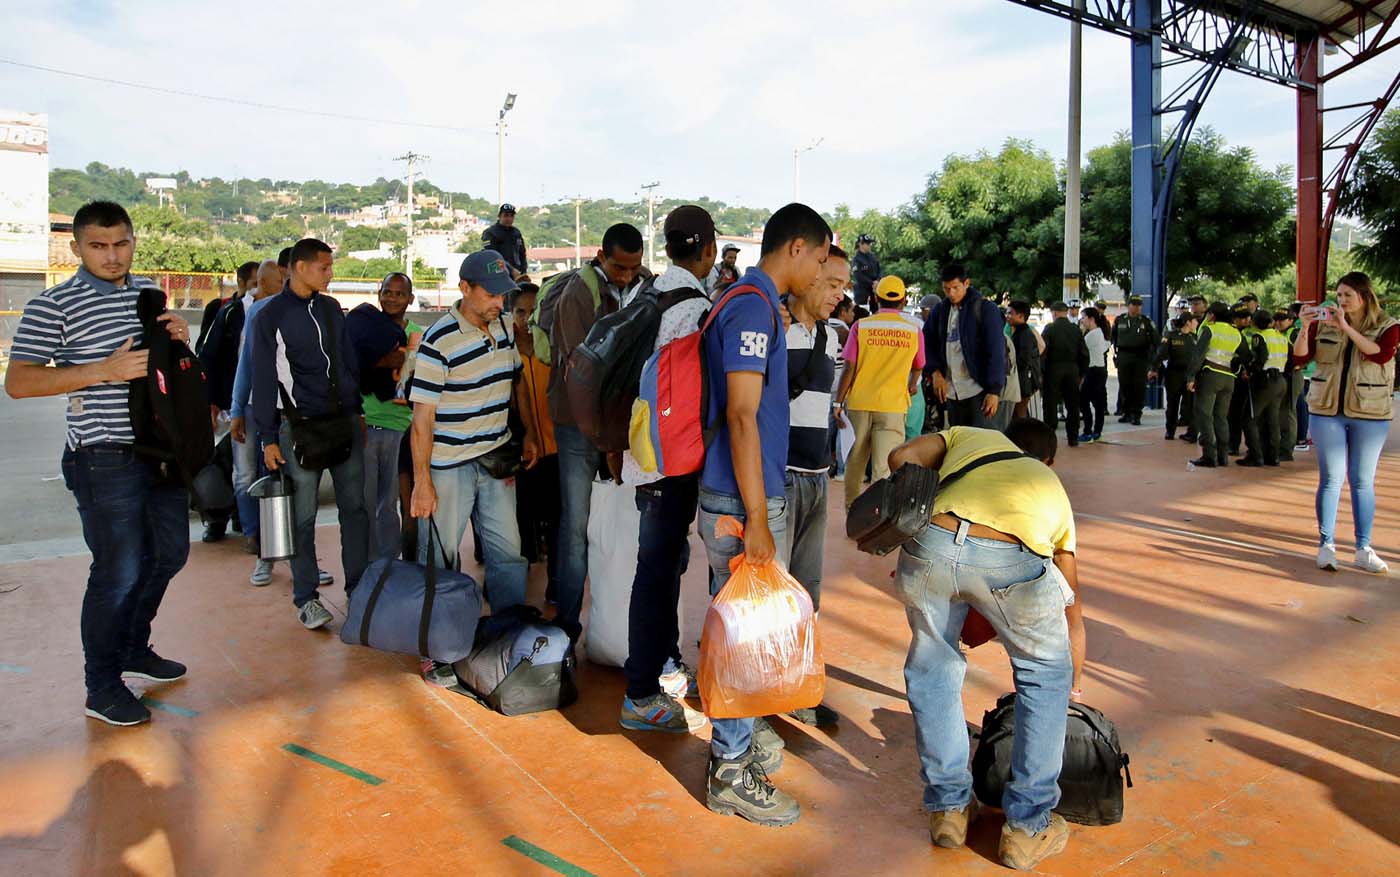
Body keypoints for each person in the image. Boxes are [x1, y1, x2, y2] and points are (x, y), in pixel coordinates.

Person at [6, 200, 193, 726]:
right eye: (98, 246)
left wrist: (178, 338)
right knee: (118, 570)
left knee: (171, 554)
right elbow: (19, 382)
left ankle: (133, 645)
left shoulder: (149, 295)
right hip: (102, 453)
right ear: (77, 248)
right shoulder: (54, 305)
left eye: (121, 244)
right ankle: (102, 684)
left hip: (160, 451)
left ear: (134, 241)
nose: (112, 256)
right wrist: (102, 371)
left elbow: (167, 370)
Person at [887, 418, 1083, 871]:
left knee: (933, 666)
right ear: (1045, 460)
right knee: (1044, 674)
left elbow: (900, 458)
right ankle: (1027, 827)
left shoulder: (968, 436)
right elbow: (1070, 605)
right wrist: (1072, 680)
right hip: (1009, 556)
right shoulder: (1051, 487)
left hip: (930, 543)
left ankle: (949, 811)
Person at [699, 202, 830, 827]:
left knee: (745, 631)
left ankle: (741, 742)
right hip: (740, 499)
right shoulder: (753, 306)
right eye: (823, 258)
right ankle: (728, 768)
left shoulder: (749, 301)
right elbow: (742, 413)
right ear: (797, 247)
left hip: (742, 494)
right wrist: (756, 515)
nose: (824, 273)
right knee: (747, 638)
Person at [617, 206, 719, 733]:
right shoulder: (695, 307)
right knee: (656, 573)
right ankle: (639, 694)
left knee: (661, 565)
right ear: (706, 251)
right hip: (672, 460)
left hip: (645, 453)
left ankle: (661, 664)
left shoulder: (648, 292)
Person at [252, 238, 371, 630]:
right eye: (324, 267)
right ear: (299, 268)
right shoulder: (270, 316)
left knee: (354, 510)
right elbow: (264, 379)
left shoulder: (331, 308)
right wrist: (267, 438)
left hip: (344, 424)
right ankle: (307, 598)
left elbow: (348, 362)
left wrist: (358, 412)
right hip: (298, 430)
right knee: (301, 519)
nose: (330, 273)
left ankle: (358, 589)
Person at [408, 250, 538, 610]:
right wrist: (422, 482)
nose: (499, 302)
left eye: (502, 295)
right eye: (490, 294)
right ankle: (437, 642)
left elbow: (517, 381)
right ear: (465, 288)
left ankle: (506, 632)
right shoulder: (439, 341)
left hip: (496, 458)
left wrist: (526, 433)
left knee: (509, 552)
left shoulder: (504, 325)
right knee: (440, 556)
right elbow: (422, 418)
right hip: (448, 467)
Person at [547, 223, 646, 639]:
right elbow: (580, 373)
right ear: (603, 257)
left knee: (620, 519)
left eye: (633, 268)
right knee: (576, 524)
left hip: (617, 425)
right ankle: (567, 623)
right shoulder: (577, 294)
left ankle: (618, 618)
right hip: (577, 424)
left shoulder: (644, 287)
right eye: (620, 268)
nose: (626, 275)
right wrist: (604, 440)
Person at [783, 244, 848, 727]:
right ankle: (766, 693)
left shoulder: (833, 336)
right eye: (831, 284)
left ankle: (799, 690)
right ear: (807, 276)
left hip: (817, 477)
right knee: (772, 594)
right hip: (779, 479)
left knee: (808, 592)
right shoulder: (774, 329)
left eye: (844, 286)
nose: (838, 294)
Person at [1293, 272, 1397, 573]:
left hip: (1370, 412)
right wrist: (1306, 327)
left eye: (1347, 296)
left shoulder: (1388, 326)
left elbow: (1379, 354)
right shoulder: (1324, 323)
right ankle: (1326, 545)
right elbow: (1301, 357)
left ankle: (1363, 548)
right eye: (1338, 295)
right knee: (1331, 478)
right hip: (1327, 410)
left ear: (1364, 297)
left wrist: (1346, 328)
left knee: (1362, 481)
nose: (1341, 301)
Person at [203, 258, 282, 550]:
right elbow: (240, 364)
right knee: (245, 471)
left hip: (275, 407)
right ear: (263, 283)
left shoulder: (292, 311)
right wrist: (231, 406)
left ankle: (269, 532)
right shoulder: (236, 312)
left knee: (269, 471)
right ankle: (250, 532)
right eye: (279, 283)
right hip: (248, 406)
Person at [834, 275, 926, 508]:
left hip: (860, 403)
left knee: (855, 462)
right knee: (883, 467)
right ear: (904, 301)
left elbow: (849, 367)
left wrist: (838, 402)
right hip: (893, 406)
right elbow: (919, 365)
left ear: (876, 299)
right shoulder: (913, 330)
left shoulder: (861, 326)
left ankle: (852, 513)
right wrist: (912, 384)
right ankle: (876, 518)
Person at [352, 272, 425, 561]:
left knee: (396, 502)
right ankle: (372, 564)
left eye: (399, 293)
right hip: (369, 422)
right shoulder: (364, 328)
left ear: (411, 298)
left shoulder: (419, 332)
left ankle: (394, 562)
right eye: (388, 292)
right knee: (367, 501)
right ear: (378, 293)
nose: (392, 298)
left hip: (404, 428)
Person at [509, 282, 561, 602]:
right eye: (520, 311)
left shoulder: (552, 348)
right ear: (510, 313)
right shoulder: (503, 350)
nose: (527, 318)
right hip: (519, 451)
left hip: (555, 449)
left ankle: (557, 585)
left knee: (557, 521)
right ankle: (518, 587)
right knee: (520, 520)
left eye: (533, 311)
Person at [924, 264, 1006, 428]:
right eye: (947, 289)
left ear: (966, 283)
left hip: (978, 390)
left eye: (955, 287)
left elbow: (996, 351)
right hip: (951, 391)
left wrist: (994, 391)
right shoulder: (939, 311)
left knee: (981, 444)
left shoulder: (985, 309)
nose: (951, 293)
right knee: (958, 443)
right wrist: (934, 372)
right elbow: (927, 343)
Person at [1186, 303, 1248, 468]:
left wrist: (1191, 376)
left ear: (1212, 315)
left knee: (1204, 415)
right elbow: (1246, 354)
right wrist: (1235, 365)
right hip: (1228, 378)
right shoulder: (1235, 333)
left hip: (1210, 375)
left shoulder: (1210, 329)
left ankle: (1209, 456)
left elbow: (1199, 354)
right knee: (1221, 417)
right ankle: (1223, 456)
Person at [1237, 309, 1288, 467]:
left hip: (1265, 381)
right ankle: (1273, 456)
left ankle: (1255, 455)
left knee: (1249, 418)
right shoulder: (1281, 337)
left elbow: (1261, 357)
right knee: (1272, 419)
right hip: (1280, 379)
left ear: (1254, 323)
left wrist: (1250, 371)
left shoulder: (1259, 337)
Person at [1039, 301, 1088, 448]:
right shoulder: (1076, 330)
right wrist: (1081, 373)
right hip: (1072, 370)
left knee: (1051, 404)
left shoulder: (1049, 329)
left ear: (1054, 313)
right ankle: (1073, 437)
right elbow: (1084, 354)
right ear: (1066, 312)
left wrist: (1041, 373)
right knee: (1073, 405)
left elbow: (1042, 353)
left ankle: (1049, 437)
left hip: (1053, 370)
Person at [1111, 295, 1157, 425]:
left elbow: (1156, 340)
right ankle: (1126, 412)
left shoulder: (1146, 321)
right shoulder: (1120, 320)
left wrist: (1153, 360)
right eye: (1133, 304)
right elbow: (1112, 338)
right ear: (1128, 305)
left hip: (1140, 357)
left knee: (1139, 386)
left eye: (1138, 305)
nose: (1136, 307)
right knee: (1125, 385)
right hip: (1124, 356)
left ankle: (1136, 414)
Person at [1150, 314, 1198, 441]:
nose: (1196, 323)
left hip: (1190, 376)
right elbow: (1161, 354)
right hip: (1174, 375)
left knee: (1191, 405)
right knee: (1172, 404)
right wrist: (1154, 369)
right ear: (1188, 322)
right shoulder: (1171, 336)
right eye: (1194, 321)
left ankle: (1192, 433)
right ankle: (1170, 431)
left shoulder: (1195, 337)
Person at [198, 260, 257, 354]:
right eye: (255, 284)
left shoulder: (263, 311)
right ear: (240, 281)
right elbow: (204, 347)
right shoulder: (219, 307)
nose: (259, 289)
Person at [1226, 306, 1260, 457]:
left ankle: (1235, 444)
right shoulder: (1231, 333)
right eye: (1243, 317)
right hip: (1234, 376)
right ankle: (1232, 444)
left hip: (1245, 377)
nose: (1247, 320)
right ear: (1234, 319)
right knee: (1233, 413)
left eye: (1248, 317)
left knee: (1239, 414)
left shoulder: (1251, 332)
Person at [1077, 307, 1110, 443]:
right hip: (1100, 370)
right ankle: (1097, 432)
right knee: (1098, 403)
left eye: (1083, 317)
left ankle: (1088, 432)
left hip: (1093, 371)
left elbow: (1080, 350)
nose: (1082, 320)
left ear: (1091, 319)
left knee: (1084, 401)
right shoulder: (1099, 333)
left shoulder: (1091, 335)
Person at [1006, 300, 1042, 420]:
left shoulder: (1024, 335)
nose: (1007, 316)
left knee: (1019, 416)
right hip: (1023, 382)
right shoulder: (1020, 333)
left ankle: (1023, 439)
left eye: (1011, 313)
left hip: (1024, 383)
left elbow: (1022, 360)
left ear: (1021, 316)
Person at [1275, 308, 1301, 461]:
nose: (1278, 322)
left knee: (1288, 412)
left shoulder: (1293, 333)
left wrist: (1299, 365)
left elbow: (1303, 352)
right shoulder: (1279, 333)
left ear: (1291, 321)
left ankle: (1286, 450)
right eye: (1276, 319)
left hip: (1292, 375)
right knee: (1282, 412)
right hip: (1282, 375)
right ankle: (1282, 447)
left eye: (1282, 319)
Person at [481, 204, 528, 279]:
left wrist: (524, 272)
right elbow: (492, 256)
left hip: (517, 275)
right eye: (506, 215)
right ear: (499, 216)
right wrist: (511, 270)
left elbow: (522, 254)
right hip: (498, 275)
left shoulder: (516, 233)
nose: (509, 218)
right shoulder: (490, 233)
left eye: (511, 216)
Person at [851, 234, 881, 308]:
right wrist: (872, 283)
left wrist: (877, 280)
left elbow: (879, 269)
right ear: (860, 244)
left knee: (875, 312)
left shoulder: (872, 257)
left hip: (874, 291)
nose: (869, 246)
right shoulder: (856, 259)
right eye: (867, 244)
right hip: (862, 292)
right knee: (862, 312)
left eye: (870, 244)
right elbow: (858, 276)